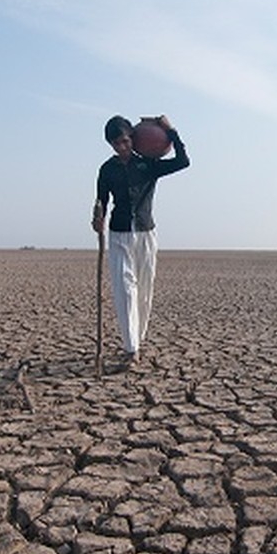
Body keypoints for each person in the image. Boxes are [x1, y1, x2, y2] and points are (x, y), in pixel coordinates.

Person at [92, 114, 190, 366]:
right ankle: (131, 348)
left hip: (146, 234)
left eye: (125, 141)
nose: (122, 147)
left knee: (144, 291)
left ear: (132, 139)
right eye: (116, 144)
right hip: (119, 235)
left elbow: (183, 161)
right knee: (125, 290)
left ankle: (138, 338)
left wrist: (171, 130)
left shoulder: (149, 164)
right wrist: (97, 216)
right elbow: (101, 199)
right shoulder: (107, 169)